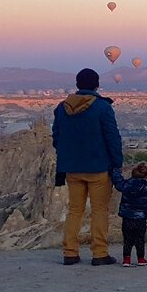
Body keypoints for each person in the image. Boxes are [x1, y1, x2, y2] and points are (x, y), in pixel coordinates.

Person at [52, 68, 123, 266]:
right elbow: (112, 137)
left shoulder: (61, 108)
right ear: (96, 84)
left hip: (72, 168)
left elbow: (56, 137)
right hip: (98, 166)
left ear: (77, 84)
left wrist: (68, 156)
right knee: (99, 210)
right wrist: (117, 163)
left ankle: (70, 252)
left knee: (75, 210)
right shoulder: (102, 107)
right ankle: (99, 253)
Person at [109, 163, 147, 267]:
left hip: (127, 217)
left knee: (127, 240)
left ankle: (126, 259)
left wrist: (115, 170)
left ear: (132, 175)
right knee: (140, 239)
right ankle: (141, 259)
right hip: (141, 218)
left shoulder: (126, 185)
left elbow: (117, 181)